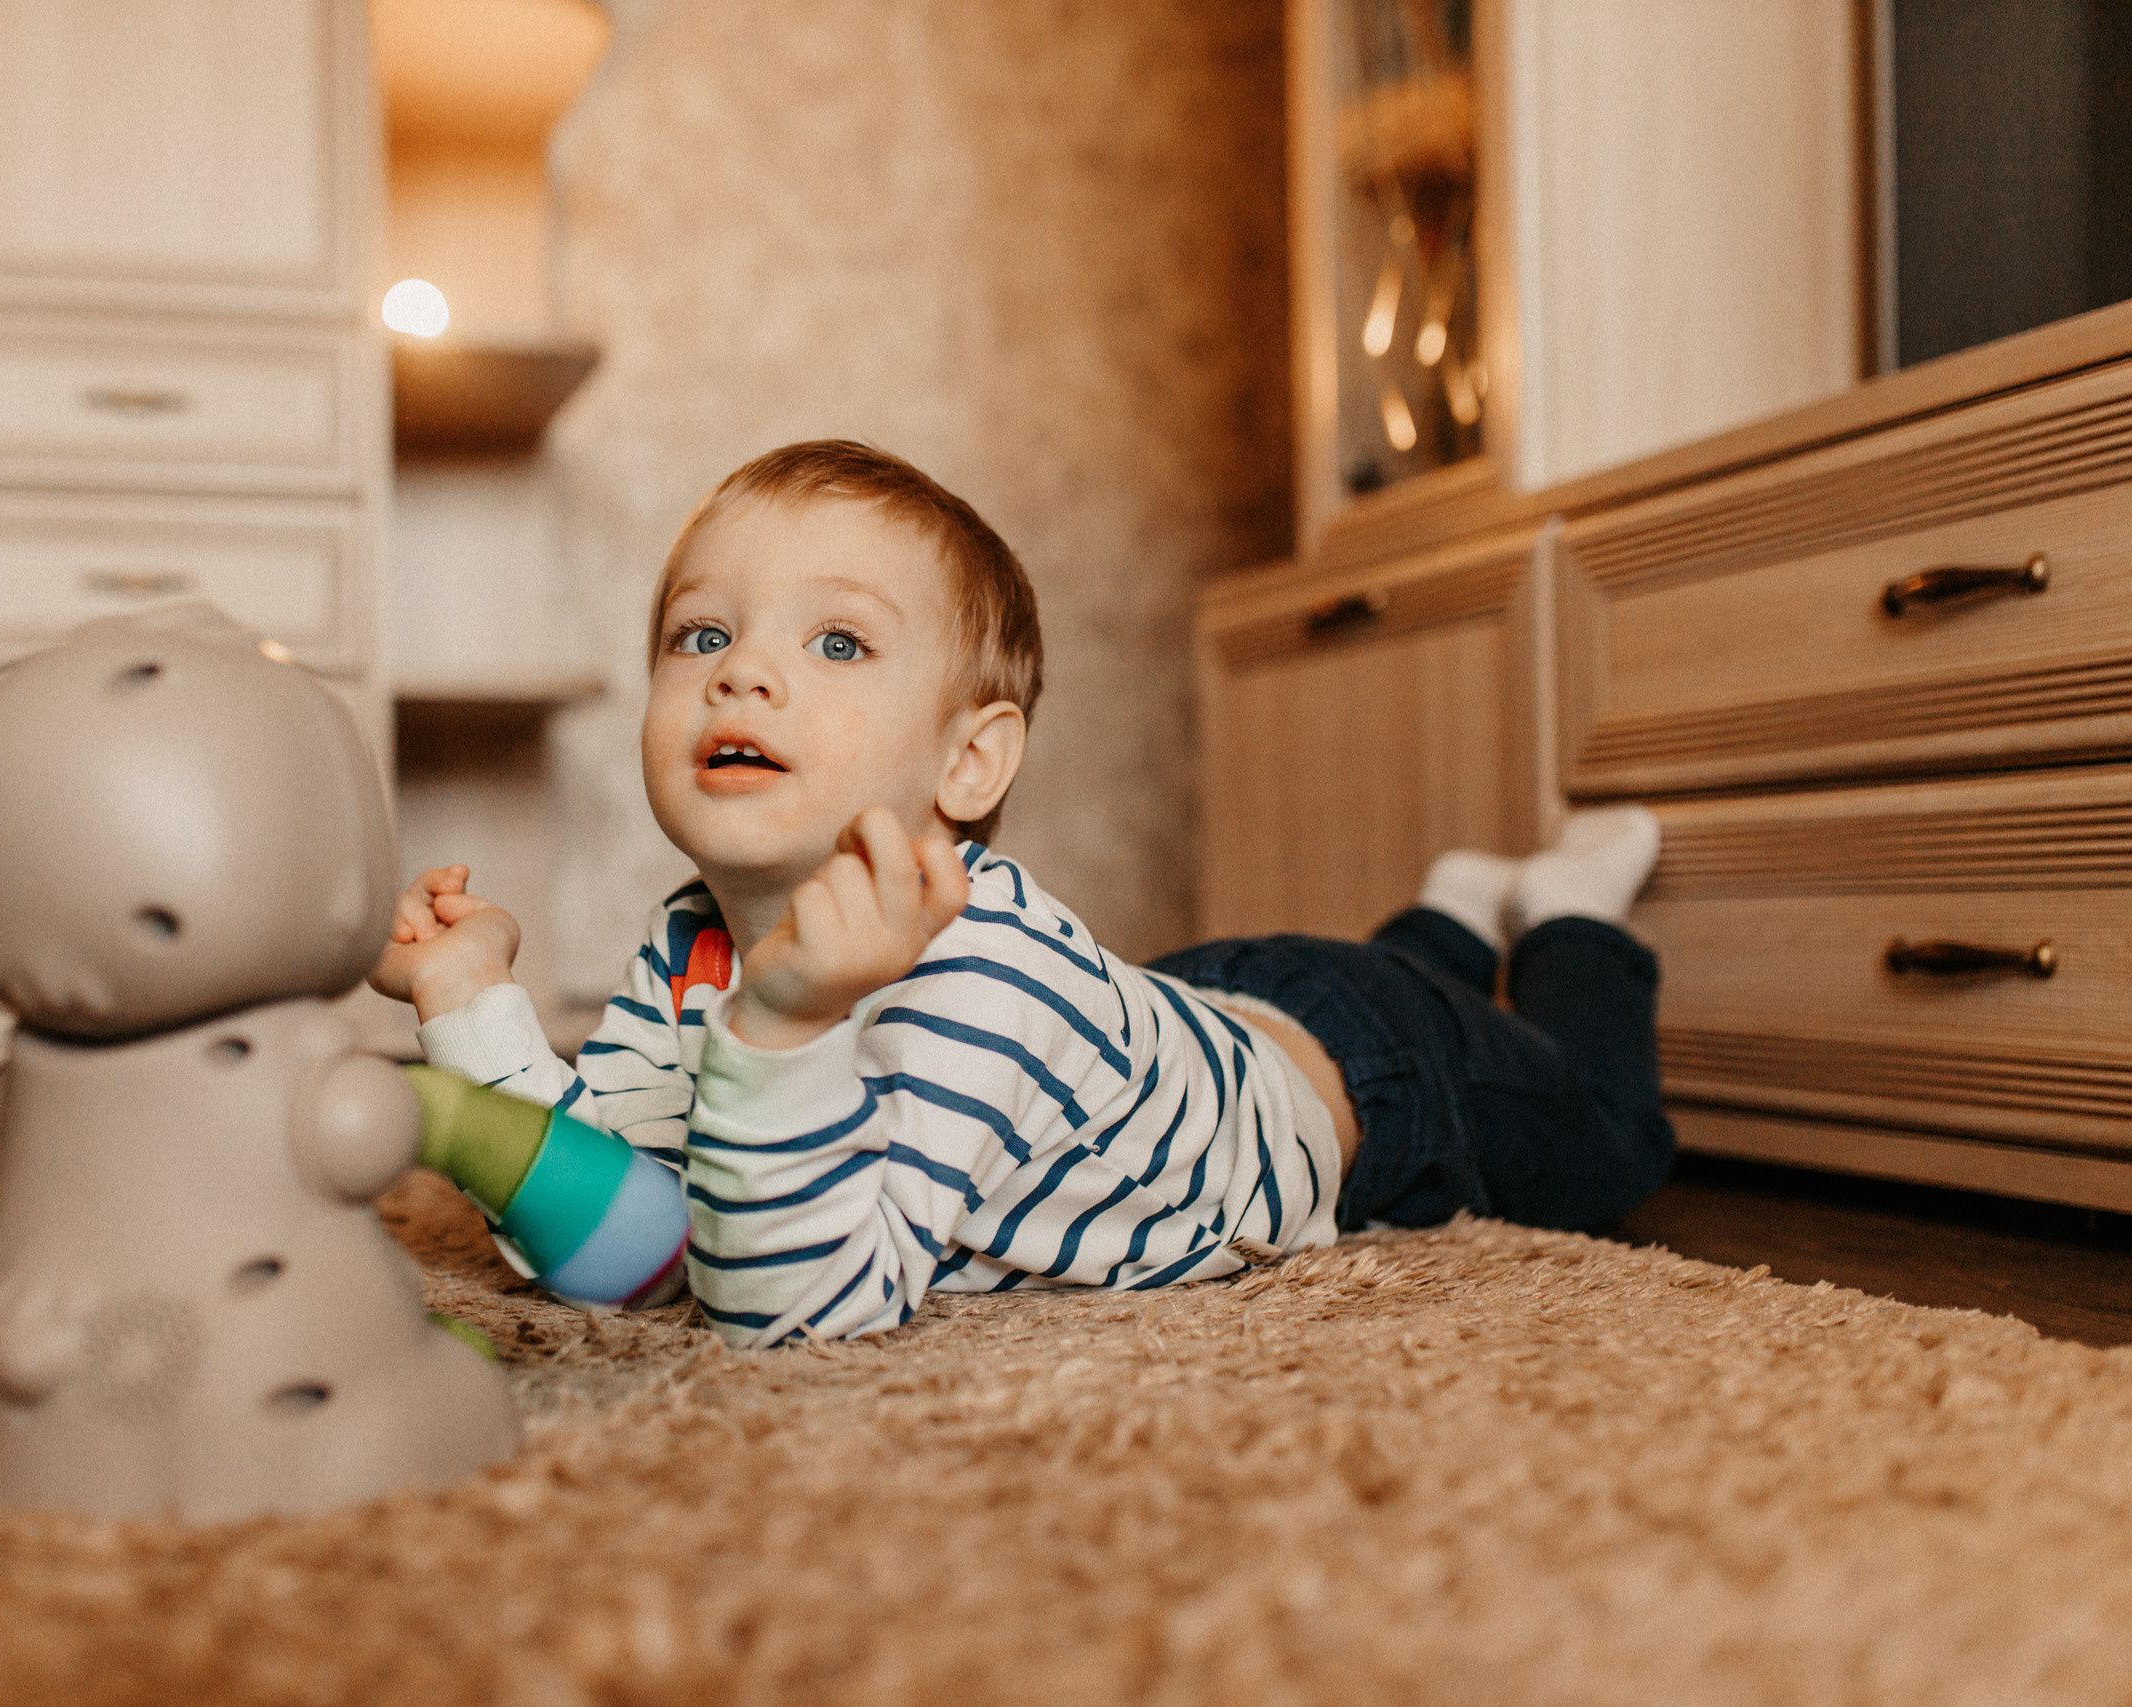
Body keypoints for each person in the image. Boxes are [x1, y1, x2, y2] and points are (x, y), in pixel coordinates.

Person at [369, 441, 1675, 1348]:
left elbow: (798, 1306)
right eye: (702, 634)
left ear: (971, 761)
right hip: (1204, 1002)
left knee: (1608, 1142)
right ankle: (1442, 910)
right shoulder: (689, 937)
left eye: (835, 642)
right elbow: (633, 1245)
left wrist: (782, 1037)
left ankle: (1564, 915)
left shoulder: (979, 976)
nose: (742, 674)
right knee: (1373, 988)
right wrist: (469, 1001)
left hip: (1376, 1077)